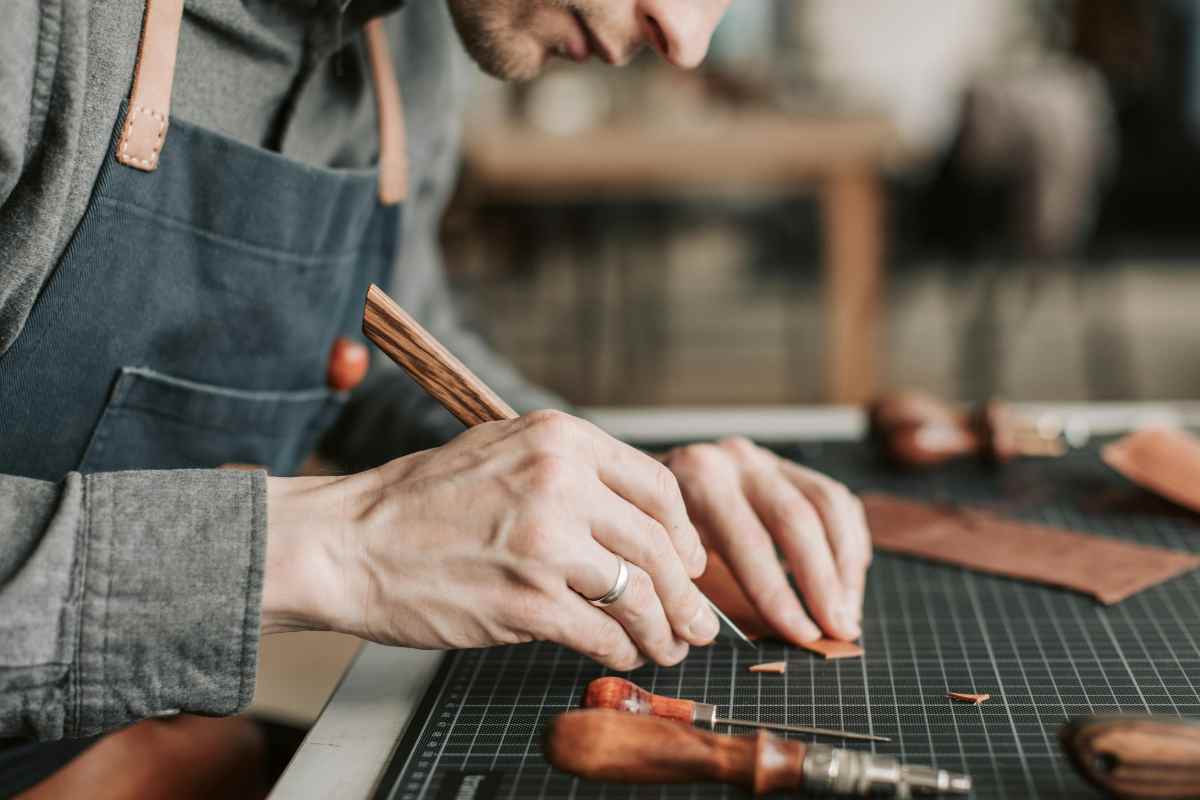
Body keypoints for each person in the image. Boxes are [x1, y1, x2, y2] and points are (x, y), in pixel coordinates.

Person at [0, 0, 871, 794]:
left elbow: (370, 350)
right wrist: (341, 550)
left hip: (95, 738)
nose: (684, 39)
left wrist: (614, 493)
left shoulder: (401, 37)